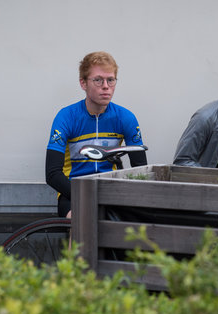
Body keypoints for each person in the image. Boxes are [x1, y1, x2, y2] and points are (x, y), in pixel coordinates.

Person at [46, 51, 147, 218]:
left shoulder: (125, 118)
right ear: (83, 83)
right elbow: (52, 174)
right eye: (98, 80)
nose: (106, 86)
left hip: (111, 189)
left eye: (111, 80)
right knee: (80, 219)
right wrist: (87, 196)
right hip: (74, 190)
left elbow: (141, 169)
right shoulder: (66, 117)